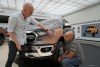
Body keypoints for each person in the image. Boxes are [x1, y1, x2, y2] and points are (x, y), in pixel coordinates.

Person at [5, 2, 52, 67]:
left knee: (22, 58)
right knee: (11, 59)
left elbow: (38, 24)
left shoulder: (29, 17)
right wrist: (17, 44)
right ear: (24, 10)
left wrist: (47, 29)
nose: (32, 14)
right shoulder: (14, 17)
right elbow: (10, 32)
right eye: (31, 12)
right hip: (14, 41)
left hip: (23, 41)